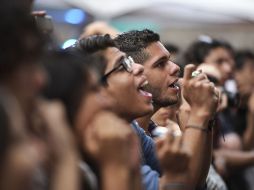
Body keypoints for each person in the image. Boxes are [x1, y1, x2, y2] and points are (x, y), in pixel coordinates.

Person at [114, 29, 219, 189]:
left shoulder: (145, 131)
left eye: (169, 60)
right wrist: (199, 114)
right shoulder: (117, 133)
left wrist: (206, 115)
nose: (176, 68)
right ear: (136, 71)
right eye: (160, 64)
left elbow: (195, 183)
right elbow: (186, 184)